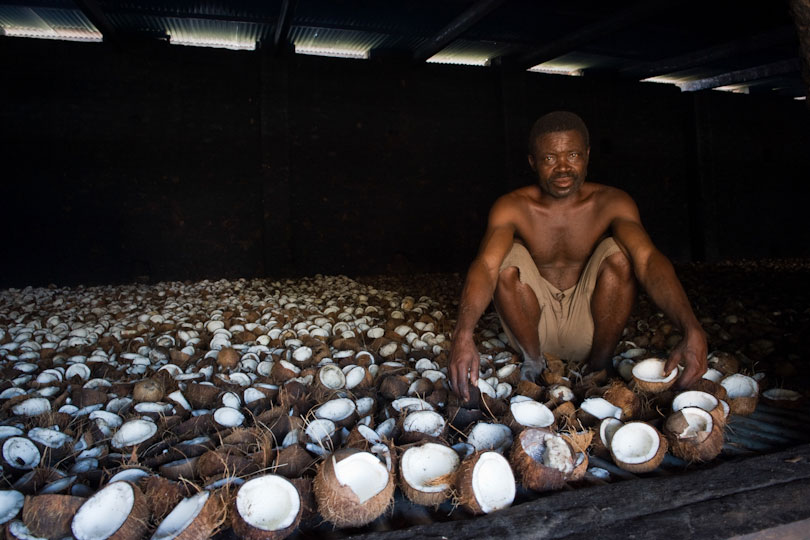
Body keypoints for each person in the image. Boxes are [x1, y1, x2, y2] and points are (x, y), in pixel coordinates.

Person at [448, 111, 707, 401]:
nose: (562, 168)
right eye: (549, 158)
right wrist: (463, 334)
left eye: (572, 155)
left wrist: (691, 327)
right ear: (532, 162)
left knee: (621, 254)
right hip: (533, 326)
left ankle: (600, 366)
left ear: (586, 155)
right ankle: (533, 365)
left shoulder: (612, 202)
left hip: (591, 328)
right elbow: (486, 266)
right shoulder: (512, 206)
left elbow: (647, 260)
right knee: (508, 258)